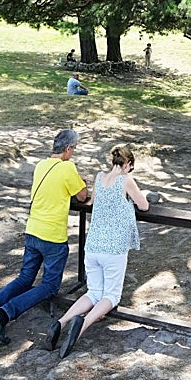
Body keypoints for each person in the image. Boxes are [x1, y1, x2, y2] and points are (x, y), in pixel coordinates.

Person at [0, 129, 90, 345]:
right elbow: (82, 195)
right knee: (49, 286)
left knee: (25, 278)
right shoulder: (68, 167)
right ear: (68, 149)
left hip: (33, 230)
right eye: (74, 149)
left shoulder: (41, 165)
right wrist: (80, 182)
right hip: (53, 236)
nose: (73, 153)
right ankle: (3, 315)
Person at [47, 144, 150, 359]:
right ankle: (81, 326)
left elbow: (92, 201)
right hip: (114, 249)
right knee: (111, 295)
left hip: (93, 245)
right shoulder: (126, 180)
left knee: (93, 292)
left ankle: (61, 321)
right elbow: (144, 206)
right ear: (128, 165)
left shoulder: (99, 178)